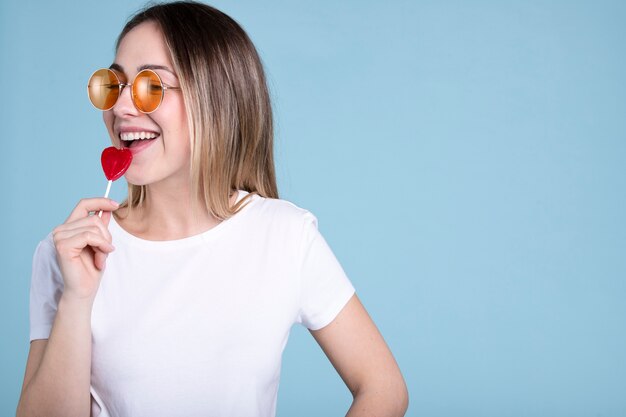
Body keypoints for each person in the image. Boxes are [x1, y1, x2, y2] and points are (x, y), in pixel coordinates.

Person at [16, 2, 408, 416]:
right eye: (113, 85)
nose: (121, 109)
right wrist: (77, 300)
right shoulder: (68, 254)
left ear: (214, 97)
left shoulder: (285, 237)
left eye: (150, 87)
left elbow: (383, 387)